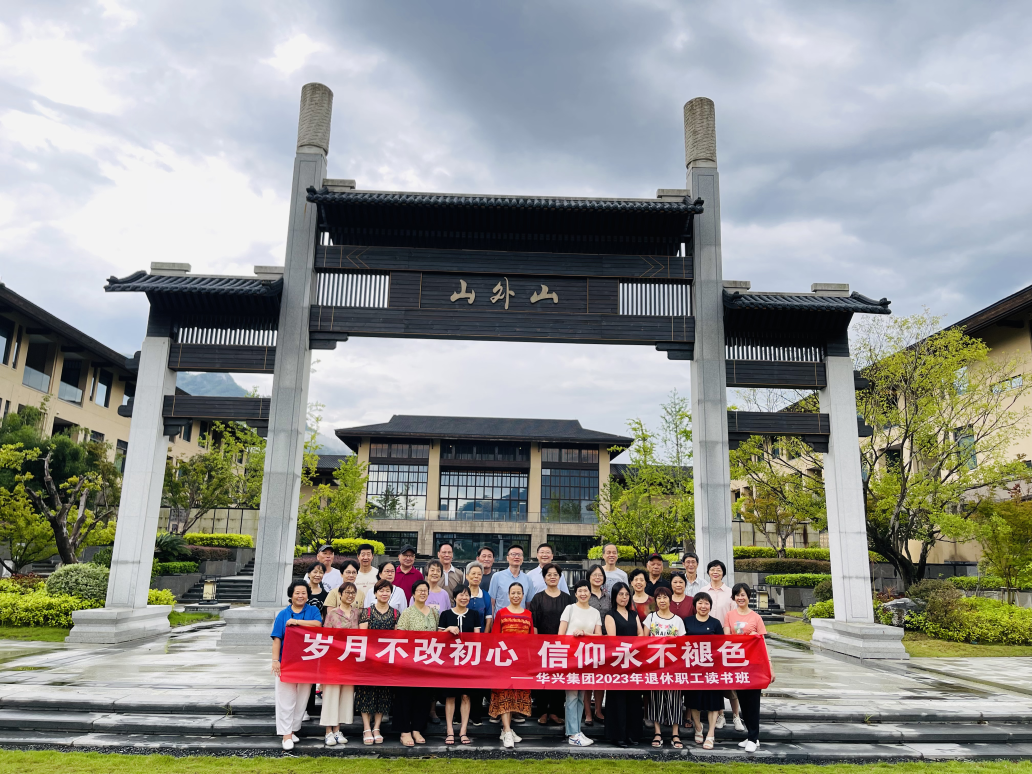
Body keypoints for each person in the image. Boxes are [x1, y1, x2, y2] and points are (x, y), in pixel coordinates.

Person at [270, 579, 322, 751]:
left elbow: (318, 625)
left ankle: (292, 730)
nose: (300, 596)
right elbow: (277, 638)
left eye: (304, 593)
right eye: (297, 593)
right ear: (291, 595)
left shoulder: (313, 610)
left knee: (302, 699)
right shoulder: (283, 614)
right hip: (287, 662)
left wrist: (297, 622)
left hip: (307, 663)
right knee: (286, 699)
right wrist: (275, 660)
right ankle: (285, 735)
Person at [724, 582, 775, 753]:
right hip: (737, 665)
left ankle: (753, 737)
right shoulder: (729, 615)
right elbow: (726, 638)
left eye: (743, 595)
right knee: (743, 701)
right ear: (734, 597)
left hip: (754, 665)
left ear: (748, 597)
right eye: (737, 595)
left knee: (753, 702)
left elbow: (763, 644)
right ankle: (752, 735)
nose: (740, 598)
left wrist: (770, 666)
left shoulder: (756, 617)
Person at [394, 580, 439, 746]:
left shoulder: (434, 613)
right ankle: (405, 731)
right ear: (413, 594)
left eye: (425, 590)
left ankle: (417, 729)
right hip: (408, 662)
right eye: (419, 590)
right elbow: (400, 635)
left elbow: (438, 634)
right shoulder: (407, 613)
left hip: (427, 663)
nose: (422, 593)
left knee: (423, 696)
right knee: (405, 696)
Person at [558, 579, 602, 747]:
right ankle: (572, 733)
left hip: (587, 659)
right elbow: (561, 635)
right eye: (580, 591)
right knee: (571, 696)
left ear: (590, 593)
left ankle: (577, 730)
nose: (583, 594)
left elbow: (599, 636)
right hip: (571, 658)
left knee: (581, 697)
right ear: (575, 594)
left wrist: (584, 634)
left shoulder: (595, 612)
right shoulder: (569, 609)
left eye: (586, 590)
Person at [490, 582, 534, 749]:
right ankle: (508, 731)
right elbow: (495, 638)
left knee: (515, 696)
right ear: (508, 595)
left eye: (519, 593)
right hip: (504, 661)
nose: (516, 596)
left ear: (523, 595)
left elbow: (531, 640)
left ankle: (505, 729)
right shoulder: (501, 613)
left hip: (521, 662)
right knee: (504, 695)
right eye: (513, 593)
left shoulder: (528, 614)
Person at [642, 586, 686, 749]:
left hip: (673, 666)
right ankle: (657, 732)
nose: (662, 600)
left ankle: (675, 734)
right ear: (655, 601)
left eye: (665, 597)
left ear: (670, 600)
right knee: (656, 699)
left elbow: (682, 645)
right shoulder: (651, 618)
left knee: (675, 699)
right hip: (655, 666)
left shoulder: (678, 620)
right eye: (659, 598)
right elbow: (644, 641)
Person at [527, 562, 571, 726]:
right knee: (543, 678)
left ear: (560, 578)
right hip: (543, 646)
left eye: (555, 575)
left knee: (559, 678)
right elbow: (534, 623)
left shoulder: (567, 599)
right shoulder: (537, 598)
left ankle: (555, 712)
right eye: (549, 575)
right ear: (544, 578)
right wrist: (536, 644)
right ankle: (542, 712)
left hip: (562, 645)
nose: (552, 577)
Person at [356, 579, 399, 745]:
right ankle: (366, 727)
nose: (384, 593)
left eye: (387, 591)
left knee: (383, 694)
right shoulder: (367, 612)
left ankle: (377, 727)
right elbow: (363, 637)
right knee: (365, 693)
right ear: (375, 593)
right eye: (381, 590)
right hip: (368, 661)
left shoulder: (395, 613)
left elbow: (397, 638)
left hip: (386, 661)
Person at [439, 584, 481, 745]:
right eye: (461, 595)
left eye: (467, 595)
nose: (464, 598)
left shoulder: (474, 614)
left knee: (465, 696)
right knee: (450, 696)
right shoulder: (446, 614)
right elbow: (438, 638)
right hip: (450, 661)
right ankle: (450, 730)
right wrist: (448, 629)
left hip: (468, 661)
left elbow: (477, 638)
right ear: (454, 597)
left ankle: (463, 731)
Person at [603, 582, 644, 748]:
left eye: (627, 594)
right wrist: (630, 647)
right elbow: (613, 640)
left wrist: (634, 648)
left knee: (633, 699)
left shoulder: (634, 614)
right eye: (621, 594)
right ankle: (618, 735)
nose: (624, 597)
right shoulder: (610, 615)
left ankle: (632, 734)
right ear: (615, 596)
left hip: (633, 662)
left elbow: (641, 634)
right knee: (618, 699)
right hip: (617, 662)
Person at [683, 591, 725, 750]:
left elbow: (722, 646)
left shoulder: (715, 623)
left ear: (710, 606)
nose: (703, 606)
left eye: (706, 603)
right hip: (692, 669)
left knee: (713, 702)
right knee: (694, 700)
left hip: (712, 670)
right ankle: (698, 727)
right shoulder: (687, 621)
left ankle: (711, 734)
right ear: (695, 605)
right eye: (700, 602)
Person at [320, 581, 359, 746]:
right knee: (331, 694)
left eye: (353, 593)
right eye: (347, 592)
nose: (350, 595)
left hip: (350, 661)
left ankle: (337, 729)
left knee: (346, 695)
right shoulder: (332, 614)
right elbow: (325, 637)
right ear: (340, 595)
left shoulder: (357, 613)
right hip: (334, 660)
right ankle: (328, 731)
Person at [704, 558, 741, 732]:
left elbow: (736, 614)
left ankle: (736, 716)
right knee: (715, 681)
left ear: (723, 573)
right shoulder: (703, 591)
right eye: (712, 569)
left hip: (726, 641)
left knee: (730, 681)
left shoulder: (730, 593)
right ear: (708, 572)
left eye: (718, 569)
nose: (715, 572)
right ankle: (720, 715)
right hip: (708, 642)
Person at [462, 562, 493, 726]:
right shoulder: (462, 593)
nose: (476, 577)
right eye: (473, 573)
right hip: (461, 646)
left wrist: (484, 639)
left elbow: (488, 619)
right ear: (467, 576)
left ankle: (476, 714)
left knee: (478, 679)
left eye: (479, 574)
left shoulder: (485, 595)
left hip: (480, 644)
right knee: (462, 679)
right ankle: (460, 714)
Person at [583, 564, 610, 726]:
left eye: (600, 575)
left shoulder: (608, 597)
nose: (597, 578)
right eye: (594, 575)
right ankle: (588, 713)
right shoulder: (584, 594)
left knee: (600, 678)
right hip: (586, 641)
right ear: (589, 577)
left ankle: (598, 710)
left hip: (605, 641)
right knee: (587, 678)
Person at [488, 544, 530, 615]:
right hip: (501, 619)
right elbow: (492, 603)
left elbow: (528, 605)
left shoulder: (528, 579)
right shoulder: (497, 576)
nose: (516, 557)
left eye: (519, 555)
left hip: (520, 619)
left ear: (522, 558)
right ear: (507, 558)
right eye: (513, 554)